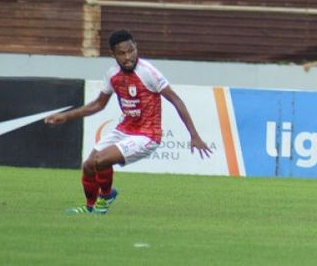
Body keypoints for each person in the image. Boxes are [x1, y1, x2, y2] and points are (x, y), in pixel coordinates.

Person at [44, 30, 212, 215]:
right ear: (113, 54)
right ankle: (90, 207)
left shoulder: (148, 73)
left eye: (130, 51)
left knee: (101, 160)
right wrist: (67, 116)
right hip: (124, 129)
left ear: (136, 48)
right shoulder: (112, 75)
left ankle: (106, 196)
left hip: (147, 135)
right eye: (122, 53)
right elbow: (98, 104)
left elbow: (176, 100)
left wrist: (194, 135)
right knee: (88, 165)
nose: (128, 57)